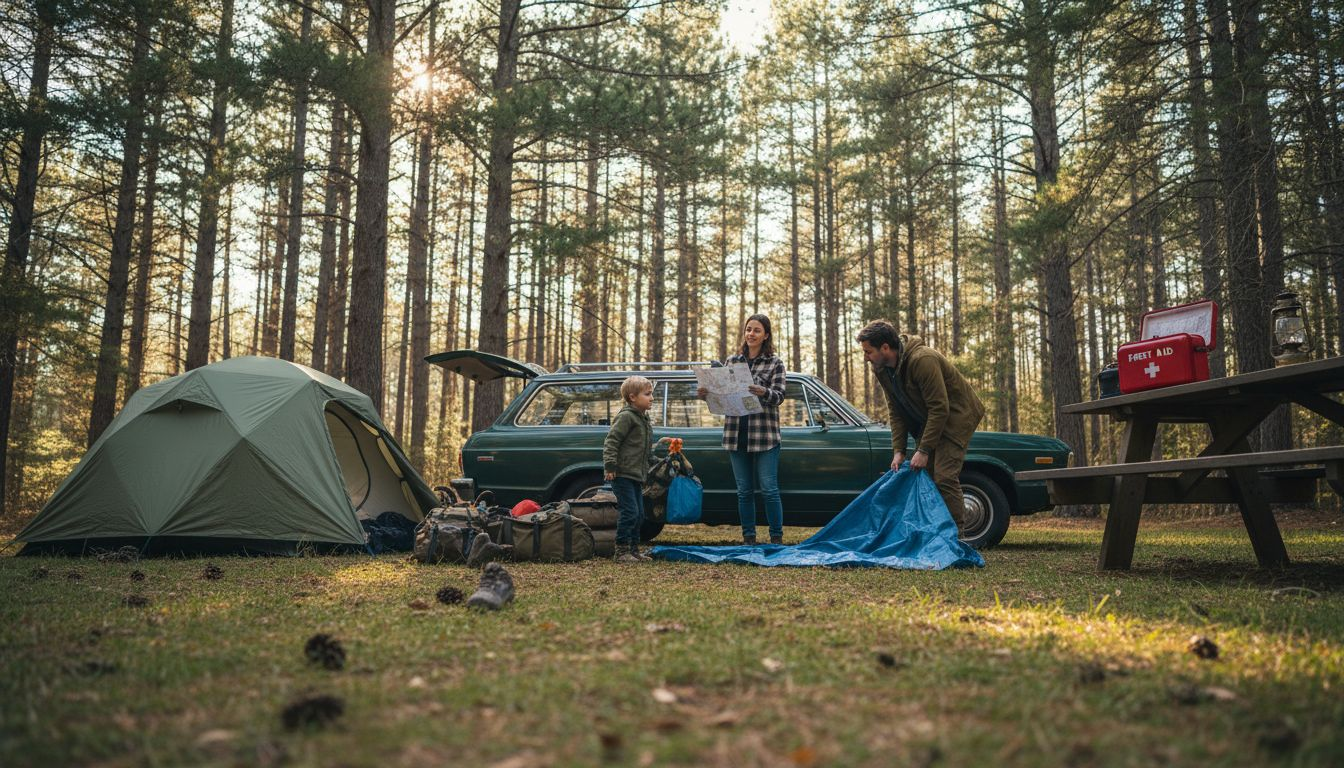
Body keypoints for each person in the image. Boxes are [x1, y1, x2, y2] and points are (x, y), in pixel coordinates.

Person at [857, 320, 985, 538]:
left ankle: (957, 538)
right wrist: (899, 451)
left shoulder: (922, 360)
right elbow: (896, 411)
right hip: (930, 418)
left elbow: (940, 408)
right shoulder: (882, 369)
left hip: (956, 416)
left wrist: (923, 450)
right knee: (924, 474)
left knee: (944, 476)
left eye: (869, 351)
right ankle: (934, 535)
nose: (865, 357)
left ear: (885, 348)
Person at [699, 314, 787, 545]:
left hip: (765, 435)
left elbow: (779, 396)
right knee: (744, 491)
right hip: (736, 433)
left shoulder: (775, 363)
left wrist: (763, 392)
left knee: (769, 489)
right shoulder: (732, 361)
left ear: (766, 335)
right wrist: (707, 393)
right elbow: (724, 394)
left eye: (757, 330)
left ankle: (776, 538)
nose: (751, 334)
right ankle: (749, 537)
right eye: (748, 329)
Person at [603, 375, 668, 562]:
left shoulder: (643, 420)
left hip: (636, 475)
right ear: (633, 397)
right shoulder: (626, 417)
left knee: (639, 515)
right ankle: (621, 551)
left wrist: (659, 462)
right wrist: (610, 466)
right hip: (622, 474)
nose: (652, 398)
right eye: (647, 394)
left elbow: (645, 451)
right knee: (629, 512)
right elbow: (611, 442)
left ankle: (633, 550)